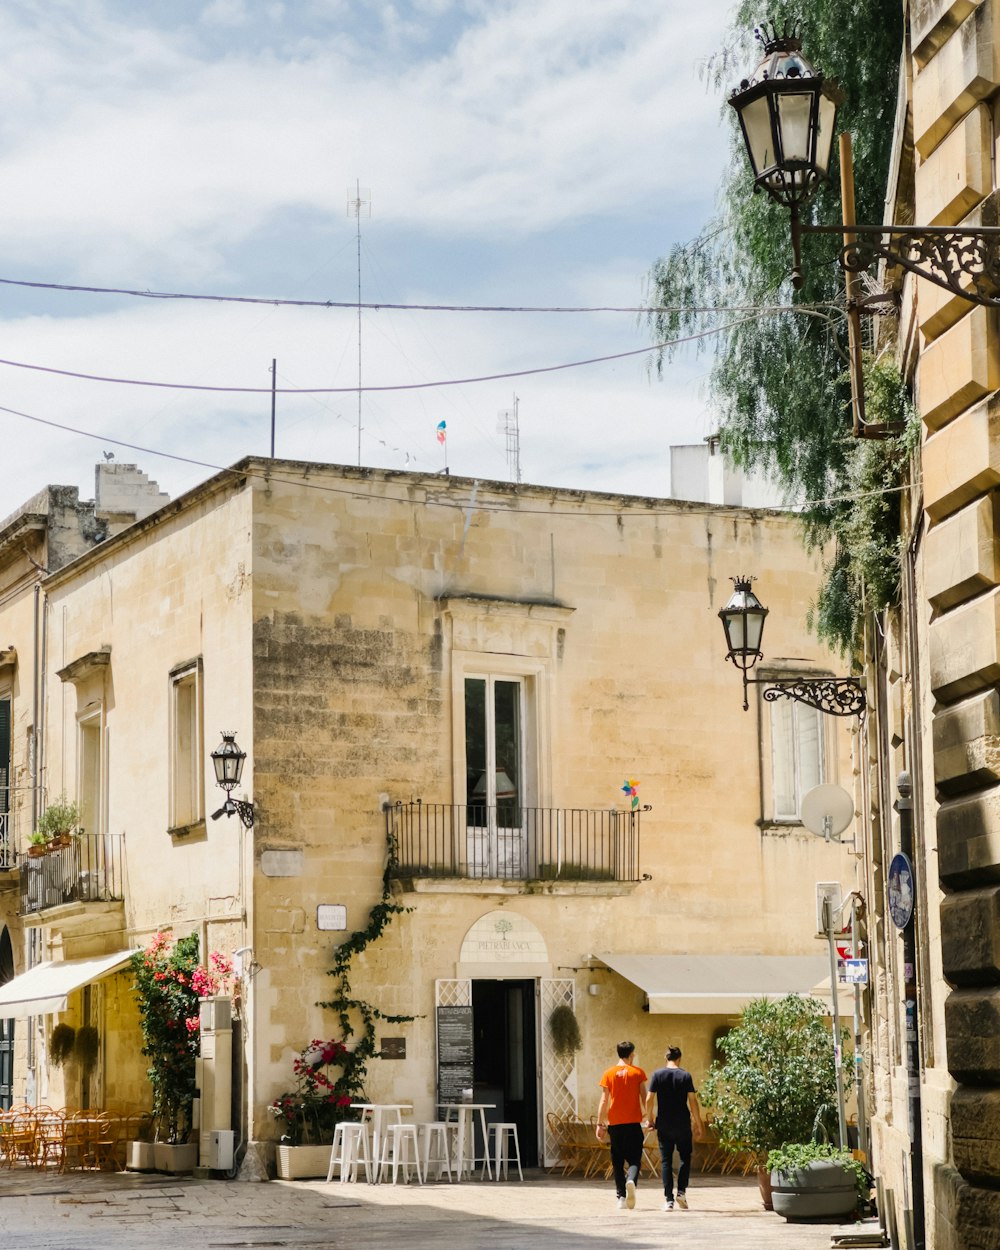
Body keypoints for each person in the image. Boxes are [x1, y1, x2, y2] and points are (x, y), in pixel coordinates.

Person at [644, 1045, 704, 1211]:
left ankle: (668, 1199)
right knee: (685, 1157)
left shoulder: (657, 1075)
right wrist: (698, 1123)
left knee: (666, 1161)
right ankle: (681, 1192)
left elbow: (649, 1099)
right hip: (683, 1123)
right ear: (679, 1059)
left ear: (666, 1058)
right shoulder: (685, 1076)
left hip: (664, 1123)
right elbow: (692, 1101)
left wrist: (650, 1119)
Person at [596, 1040, 648, 1210]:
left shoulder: (608, 1073)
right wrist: (648, 1116)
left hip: (615, 1123)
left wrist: (599, 1123)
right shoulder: (638, 1073)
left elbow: (604, 1100)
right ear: (631, 1054)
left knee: (617, 1161)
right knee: (634, 1159)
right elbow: (644, 1096)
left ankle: (621, 1198)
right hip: (633, 1122)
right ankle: (631, 1180)